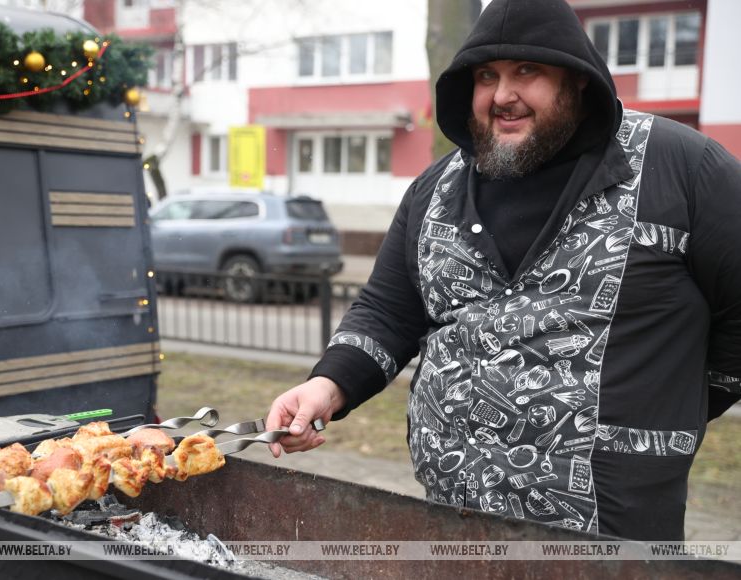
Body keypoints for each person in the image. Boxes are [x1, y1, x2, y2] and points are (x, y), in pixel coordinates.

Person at [266, 0, 741, 541]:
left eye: (527, 72)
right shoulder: (436, 188)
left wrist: (674, 404)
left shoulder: (681, 168)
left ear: (578, 81)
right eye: (486, 76)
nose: (502, 95)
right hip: (455, 514)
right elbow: (388, 310)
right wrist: (328, 386)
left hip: (611, 528)